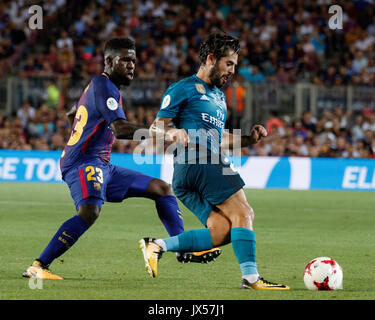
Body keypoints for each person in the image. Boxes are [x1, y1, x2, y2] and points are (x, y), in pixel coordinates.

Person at [22, 37, 220, 280]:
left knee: (162, 188)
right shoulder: (104, 86)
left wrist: (78, 130)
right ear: (109, 61)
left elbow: (72, 112)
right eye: (125, 60)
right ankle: (38, 265)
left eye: (134, 61)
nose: (131, 66)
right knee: (89, 212)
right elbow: (120, 129)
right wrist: (164, 132)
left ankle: (183, 248)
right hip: (83, 162)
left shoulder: (101, 87)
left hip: (101, 164)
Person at [140, 33, 290, 290]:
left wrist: (248, 140)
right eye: (229, 64)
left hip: (188, 173)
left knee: (221, 230)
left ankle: (157, 245)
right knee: (244, 213)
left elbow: (219, 139)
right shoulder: (183, 88)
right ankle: (251, 278)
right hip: (199, 158)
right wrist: (171, 132)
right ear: (211, 58)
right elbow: (155, 127)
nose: (232, 71)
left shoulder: (219, 98)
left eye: (234, 65)